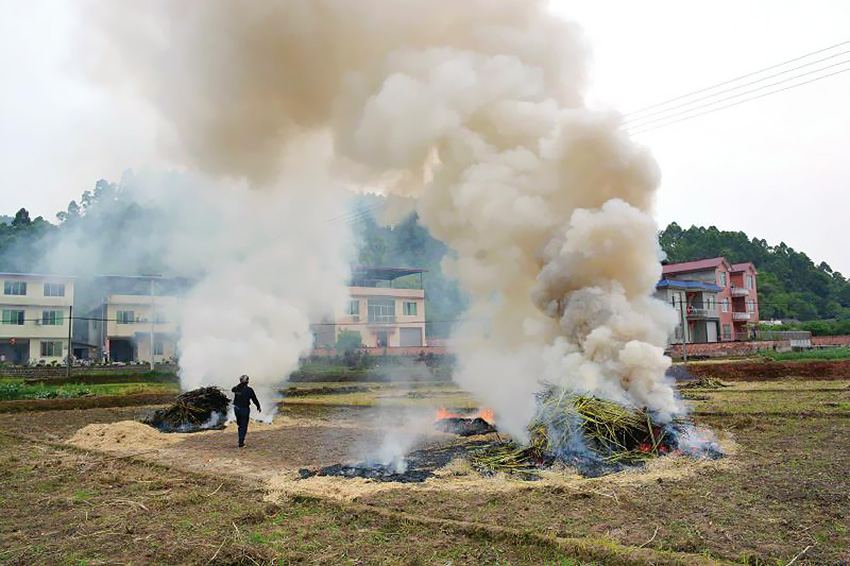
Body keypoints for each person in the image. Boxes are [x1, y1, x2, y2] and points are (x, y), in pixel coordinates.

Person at [231, 375, 261, 448]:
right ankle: (241, 442)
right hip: (244, 410)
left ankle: (240, 440)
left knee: (240, 425)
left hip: (236, 409)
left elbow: (232, 389)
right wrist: (258, 406)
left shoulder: (236, 388)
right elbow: (254, 399)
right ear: (247, 381)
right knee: (243, 426)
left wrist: (240, 384)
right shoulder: (249, 390)